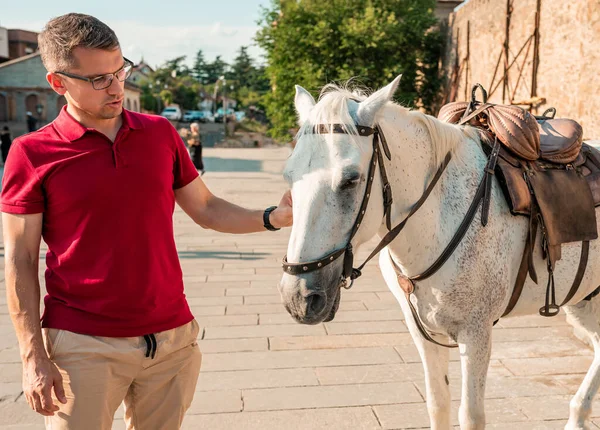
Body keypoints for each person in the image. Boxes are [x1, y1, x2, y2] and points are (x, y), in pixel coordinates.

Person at [0, 13, 292, 430]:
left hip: (172, 339)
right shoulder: (31, 153)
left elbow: (207, 209)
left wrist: (274, 217)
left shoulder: (160, 134)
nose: (116, 86)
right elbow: (20, 261)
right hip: (84, 345)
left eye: (120, 70)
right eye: (98, 79)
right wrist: (33, 357)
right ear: (58, 82)